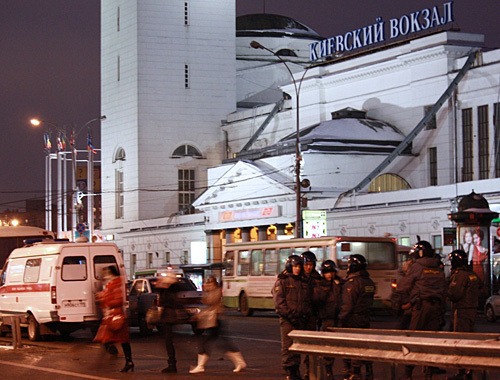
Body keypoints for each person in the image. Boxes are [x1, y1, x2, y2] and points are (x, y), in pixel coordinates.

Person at [395, 241, 447, 380]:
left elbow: (404, 286)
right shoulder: (438, 267)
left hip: (421, 307)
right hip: (436, 308)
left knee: (414, 339)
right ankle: (429, 371)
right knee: (431, 341)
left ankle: (408, 372)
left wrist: (401, 299)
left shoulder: (417, 267)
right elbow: (444, 288)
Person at [189, 276, 246, 374]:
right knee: (219, 343)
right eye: (208, 284)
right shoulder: (212, 292)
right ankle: (239, 362)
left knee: (208, 342)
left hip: (216, 320)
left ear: (214, 284)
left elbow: (210, 302)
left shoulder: (216, 292)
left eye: (210, 284)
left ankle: (201, 366)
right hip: (213, 320)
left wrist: (206, 293)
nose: (208, 286)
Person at [272, 254, 312, 380]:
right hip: (288, 320)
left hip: (301, 319)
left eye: (299, 266)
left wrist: (304, 314)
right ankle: (290, 371)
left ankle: (296, 371)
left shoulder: (303, 281)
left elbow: (307, 300)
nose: (298, 269)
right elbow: (279, 302)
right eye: (295, 266)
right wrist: (290, 315)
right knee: (288, 347)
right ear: (290, 267)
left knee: (299, 348)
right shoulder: (283, 281)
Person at [338, 254, 375, 380]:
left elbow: (347, 304)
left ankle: (354, 372)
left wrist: (340, 318)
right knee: (364, 346)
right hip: (365, 318)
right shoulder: (369, 282)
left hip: (352, 319)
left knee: (351, 346)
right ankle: (368, 371)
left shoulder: (353, 283)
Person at [447, 249, 480, 380]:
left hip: (461, 310)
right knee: (469, 339)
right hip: (472, 309)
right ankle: (468, 370)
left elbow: (455, 293)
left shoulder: (459, 275)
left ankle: (461, 371)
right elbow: (481, 287)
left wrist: (447, 290)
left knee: (460, 341)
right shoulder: (472, 274)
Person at [93, 265, 134, 373]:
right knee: (116, 340)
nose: (106, 276)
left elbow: (117, 300)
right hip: (112, 315)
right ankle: (128, 361)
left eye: (107, 273)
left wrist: (104, 299)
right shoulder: (111, 284)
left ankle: (100, 364)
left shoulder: (116, 284)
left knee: (113, 339)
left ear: (112, 273)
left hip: (115, 316)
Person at [315, 259, 343, 379]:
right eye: (327, 272)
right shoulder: (319, 285)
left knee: (342, 347)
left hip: (339, 319)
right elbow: (317, 302)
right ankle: (328, 369)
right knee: (328, 347)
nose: (329, 275)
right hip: (326, 319)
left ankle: (348, 369)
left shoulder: (339, 284)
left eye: (331, 272)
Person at [156, 272, 184, 373]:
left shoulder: (170, 291)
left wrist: (162, 286)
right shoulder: (171, 289)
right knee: (168, 341)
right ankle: (171, 363)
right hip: (169, 316)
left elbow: (166, 301)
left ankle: (172, 364)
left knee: (168, 341)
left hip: (169, 316)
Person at [300, 251, 322, 380]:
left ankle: (309, 371)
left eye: (311, 264)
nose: (309, 267)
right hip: (299, 315)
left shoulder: (317, 278)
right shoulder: (297, 277)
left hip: (312, 315)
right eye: (306, 264)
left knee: (310, 347)